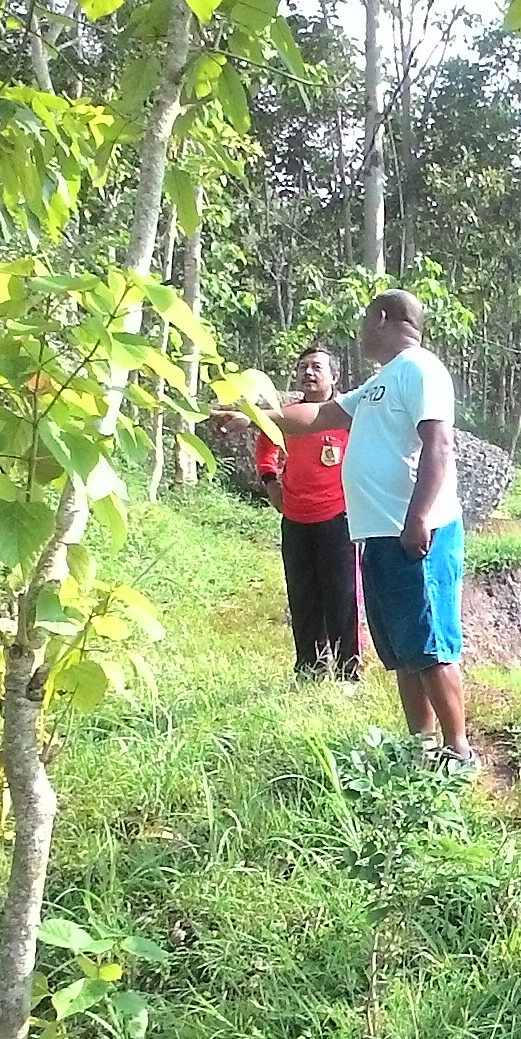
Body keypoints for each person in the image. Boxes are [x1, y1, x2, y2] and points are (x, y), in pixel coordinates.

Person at [211, 290, 475, 772]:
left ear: (382, 318)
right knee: (403, 647)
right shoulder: (379, 383)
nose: (359, 332)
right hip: (380, 535)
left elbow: (438, 446)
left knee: (431, 642)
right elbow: (319, 416)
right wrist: (253, 419)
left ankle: (458, 751)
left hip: (418, 532)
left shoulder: (421, 370)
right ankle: (421, 748)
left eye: (363, 320)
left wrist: (418, 518)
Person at [255, 344, 362, 681]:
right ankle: (309, 670)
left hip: (339, 519)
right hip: (295, 518)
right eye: (303, 367)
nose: (308, 373)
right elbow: (265, 447)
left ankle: (347, 673)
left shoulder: (349, 416)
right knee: (302, 596)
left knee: (342, 596)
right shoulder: (287, 416)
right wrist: (271, 482)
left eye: (316, 367)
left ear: (335, 376)